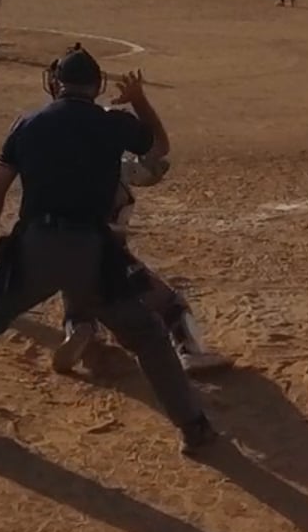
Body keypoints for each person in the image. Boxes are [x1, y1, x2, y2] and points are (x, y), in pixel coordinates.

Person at [0, 45, 217, 456]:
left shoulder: (29, 123)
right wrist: (139, 100)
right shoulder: (113, 123)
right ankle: (193, 427)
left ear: (55, 83)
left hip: (35, 248)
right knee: (147, 336)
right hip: (94, 253)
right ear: (96, 86)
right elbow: (159, 146)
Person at [54, 156, 231, 377]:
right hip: (115, 260)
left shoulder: (60, 171)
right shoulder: (116, 164)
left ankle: (81, 331)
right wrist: (155, 158)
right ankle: (190, 351)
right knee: (170, 303)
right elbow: (150, 172)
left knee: (78, 297)